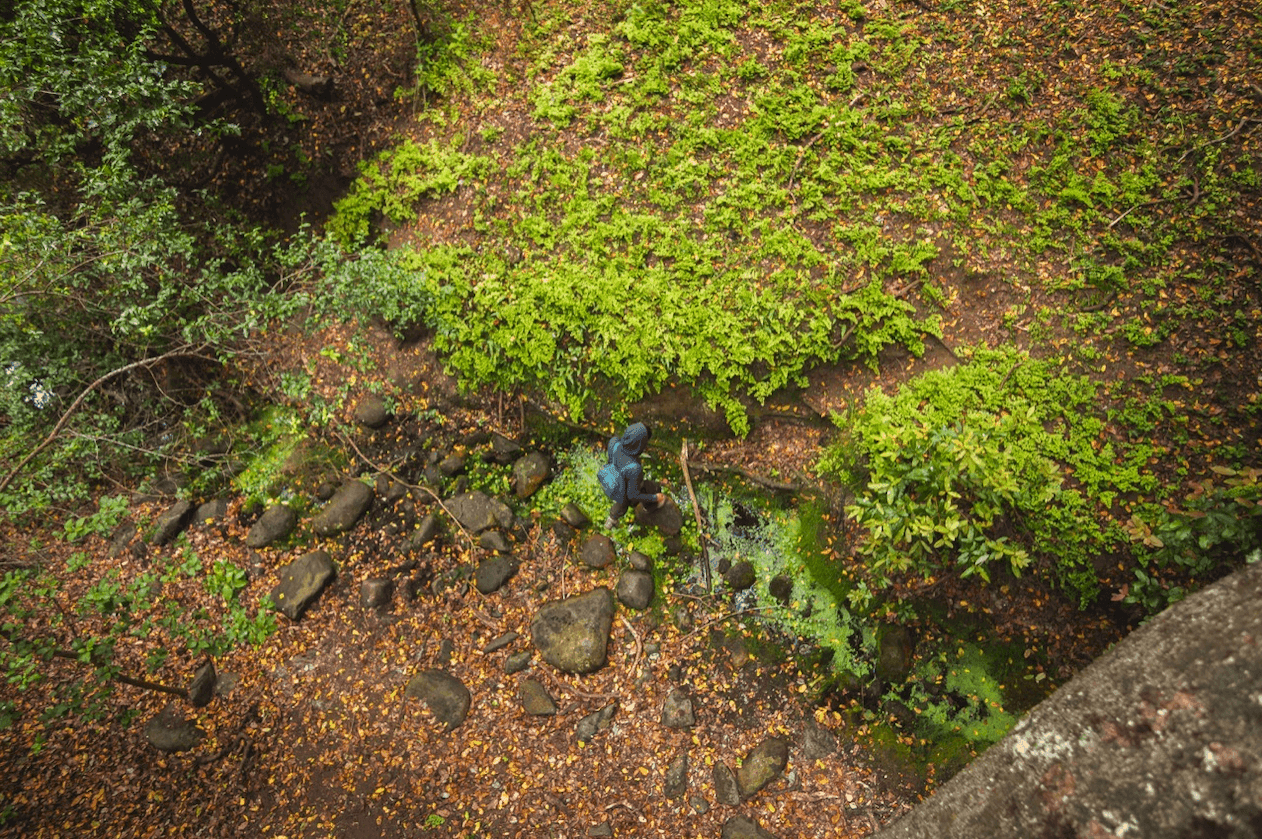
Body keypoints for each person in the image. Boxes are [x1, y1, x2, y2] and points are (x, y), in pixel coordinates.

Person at [599, 422, 666, 530]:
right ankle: (648, 508)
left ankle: (611, 521)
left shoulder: (614, 442)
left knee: (620, 505)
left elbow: (611, 460)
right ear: (641, 444)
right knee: (650, 488)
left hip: (609, 478)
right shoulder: (634, 468)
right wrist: (654, 498)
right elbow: (633, 495)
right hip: (623, 489)